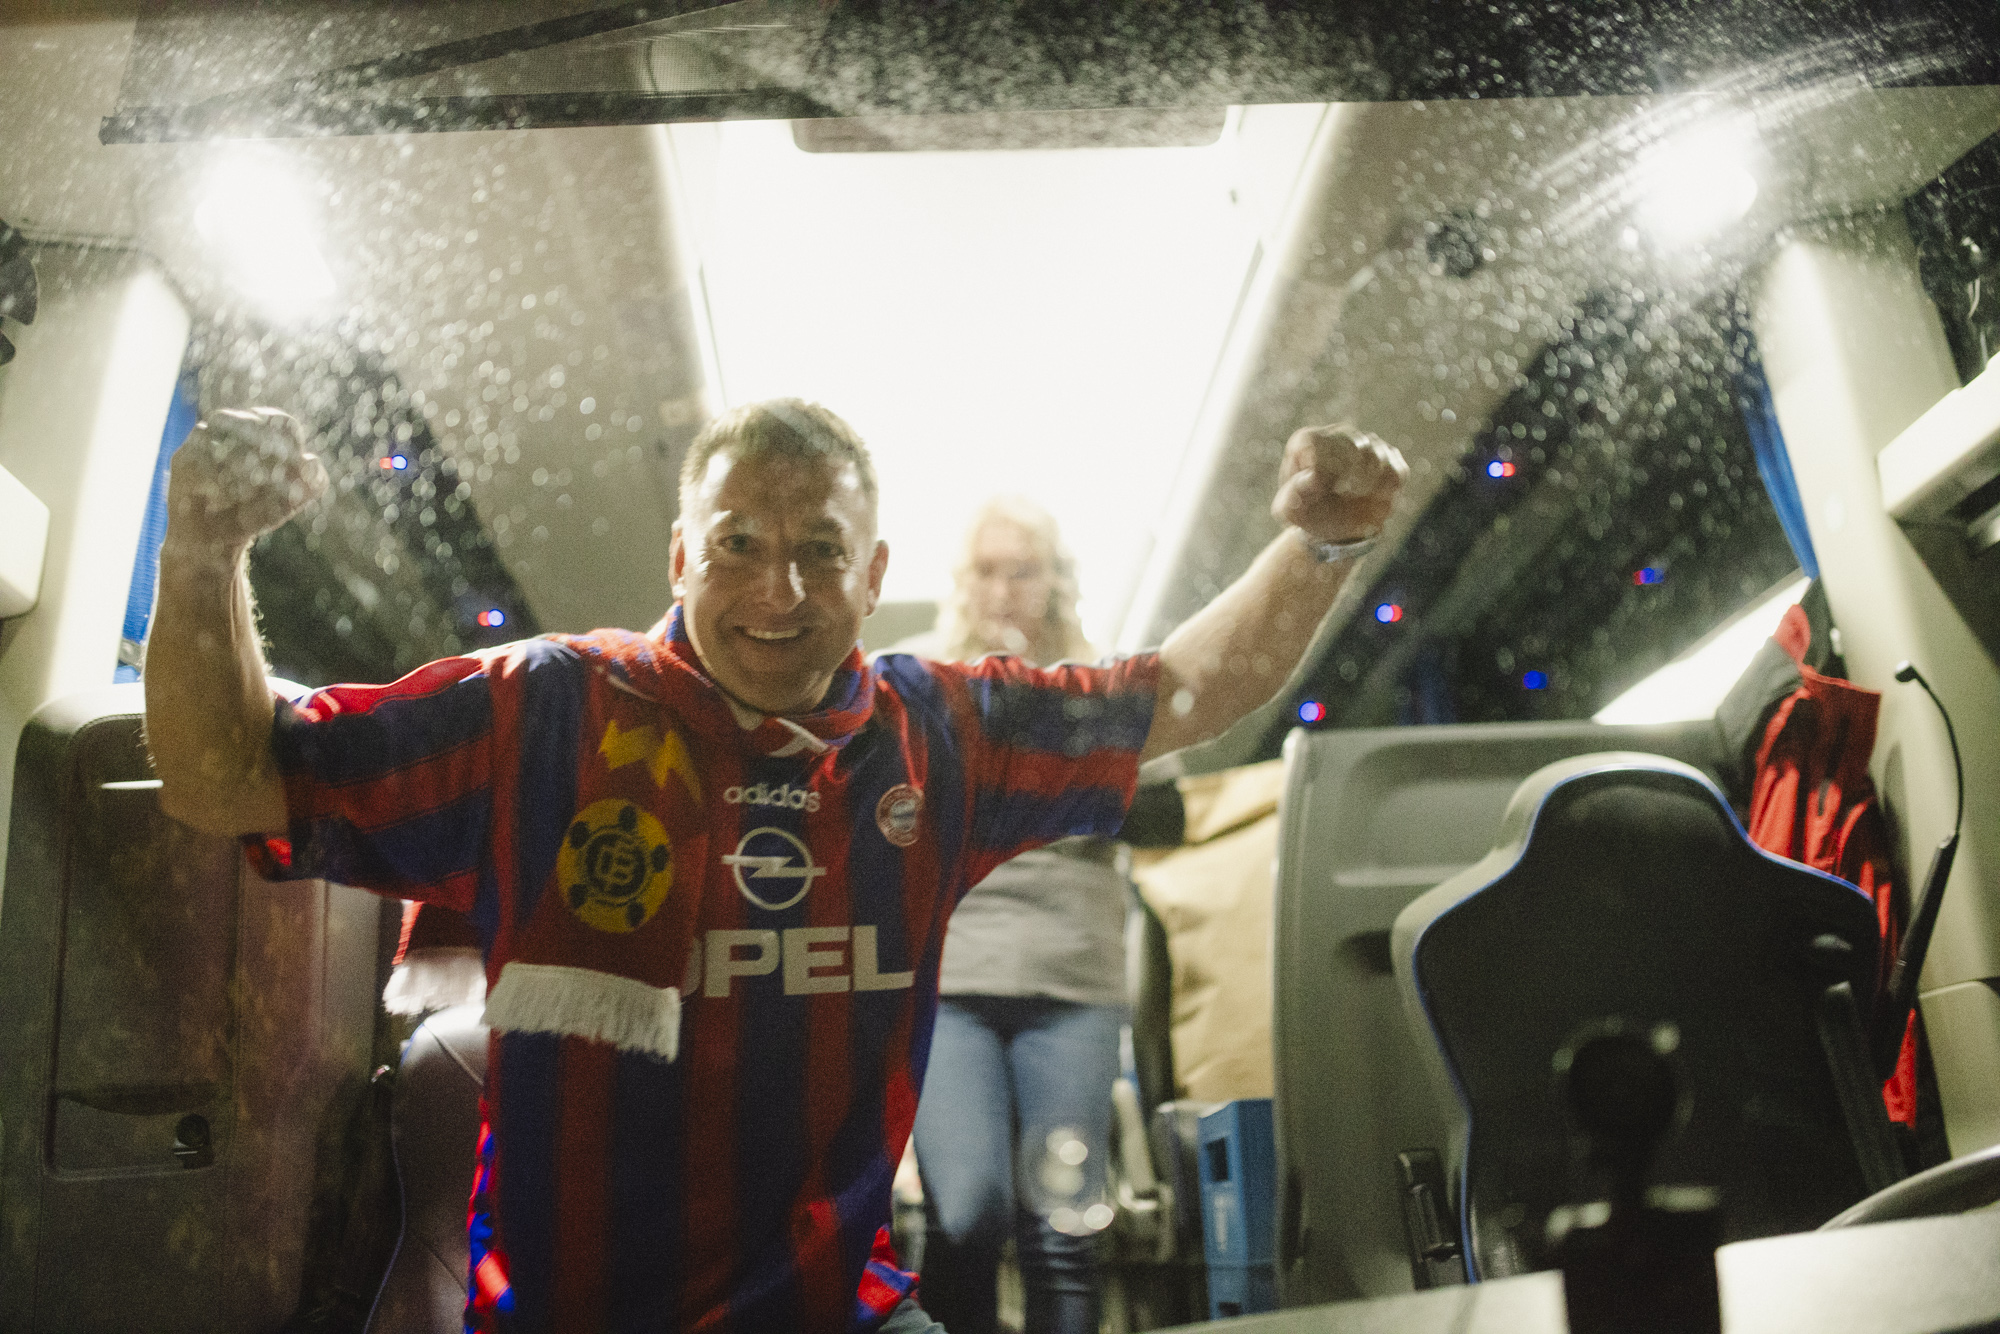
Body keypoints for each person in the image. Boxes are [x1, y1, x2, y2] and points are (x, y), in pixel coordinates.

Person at [144, 398, 1406, 1333]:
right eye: (737, 544)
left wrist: (1321, 547)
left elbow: (1177, 691)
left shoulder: (937, 735)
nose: (778, 587)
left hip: (837, 1309)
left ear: (874, 575)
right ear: (679, 558)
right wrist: (200, 550)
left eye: (820, 550)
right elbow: (228, 776)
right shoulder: (543, 710)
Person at [903, 498, 1128, 1334]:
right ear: (963, 583)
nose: (1002, 591)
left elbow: (1167, 812)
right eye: (986, 572)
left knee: (1063, 1232)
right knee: (969, 1212)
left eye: (1021, 571)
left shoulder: (1103, 688)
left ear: (1054, 581)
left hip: (1072, 981)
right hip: (952, 979)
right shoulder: (922, 685)